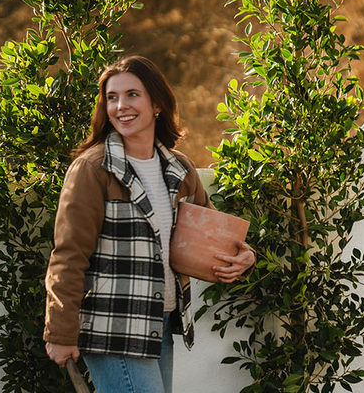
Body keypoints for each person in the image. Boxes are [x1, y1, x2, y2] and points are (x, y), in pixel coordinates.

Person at [43, 55, 255, 392]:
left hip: (158, 326)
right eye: (112, 97)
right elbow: (68, 256)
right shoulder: (94, 169)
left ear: (156, 103)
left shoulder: (179, 169)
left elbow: (215, 238)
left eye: (132, 95)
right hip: (113, 329)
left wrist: (244, 258)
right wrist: (60, 333)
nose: (120, 106)